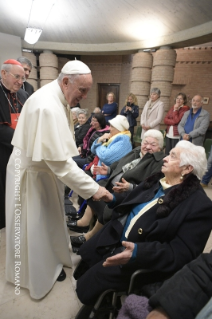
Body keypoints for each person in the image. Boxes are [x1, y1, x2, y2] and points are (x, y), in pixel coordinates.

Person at [5, 60, 109, 300]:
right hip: (30, 174)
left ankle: (53, 261)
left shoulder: (58, 97)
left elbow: (60, 153)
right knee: (34, 225)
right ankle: (35, 277)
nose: (83, 97)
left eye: (87, 91)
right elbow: (60, 162)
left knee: (49, 220)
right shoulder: (46, 105)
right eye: (81, 90)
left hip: (43, 171)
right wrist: (93, 190)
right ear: (65, 81)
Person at [75, 141, 212, 306]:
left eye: (172, 156)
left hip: (140, 257)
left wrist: (139, 252)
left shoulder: (199, 205)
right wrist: (112, 198)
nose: (165, 158)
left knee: (94, 279)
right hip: (117, 233)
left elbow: (180, 253)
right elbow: (135, 201)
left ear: (187, 168)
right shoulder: (159, 179)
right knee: (88, 258)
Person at [69, 130, 165, 247]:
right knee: (96, 187)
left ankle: (90, 237)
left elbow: (152, 185)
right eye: (145, 143)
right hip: (114, 184)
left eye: (153, 144)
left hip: (130, 193)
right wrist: (109, 170)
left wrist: (130, 187)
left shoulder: (158, 162)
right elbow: (119, 164)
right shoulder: (136, 151)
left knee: (108, 203)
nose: (148, 147)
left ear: (160, 148)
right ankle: (84, 221)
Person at [0, 59, 28, 229]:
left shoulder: (24, 95)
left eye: (22, 78)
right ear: (4, 73)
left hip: (21, 152)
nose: (20, 82)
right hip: (2, 152)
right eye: (17, 77)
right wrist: (22, 142)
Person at [90, 115, 132, 180]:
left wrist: (101, 145)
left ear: (119, 129)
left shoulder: (123, 140)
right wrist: (100, 139)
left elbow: (105, 157)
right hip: (101, 173)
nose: (109, 128)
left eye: (112, 126)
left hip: (108, 179)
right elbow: (93, 150)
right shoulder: (112, 138)